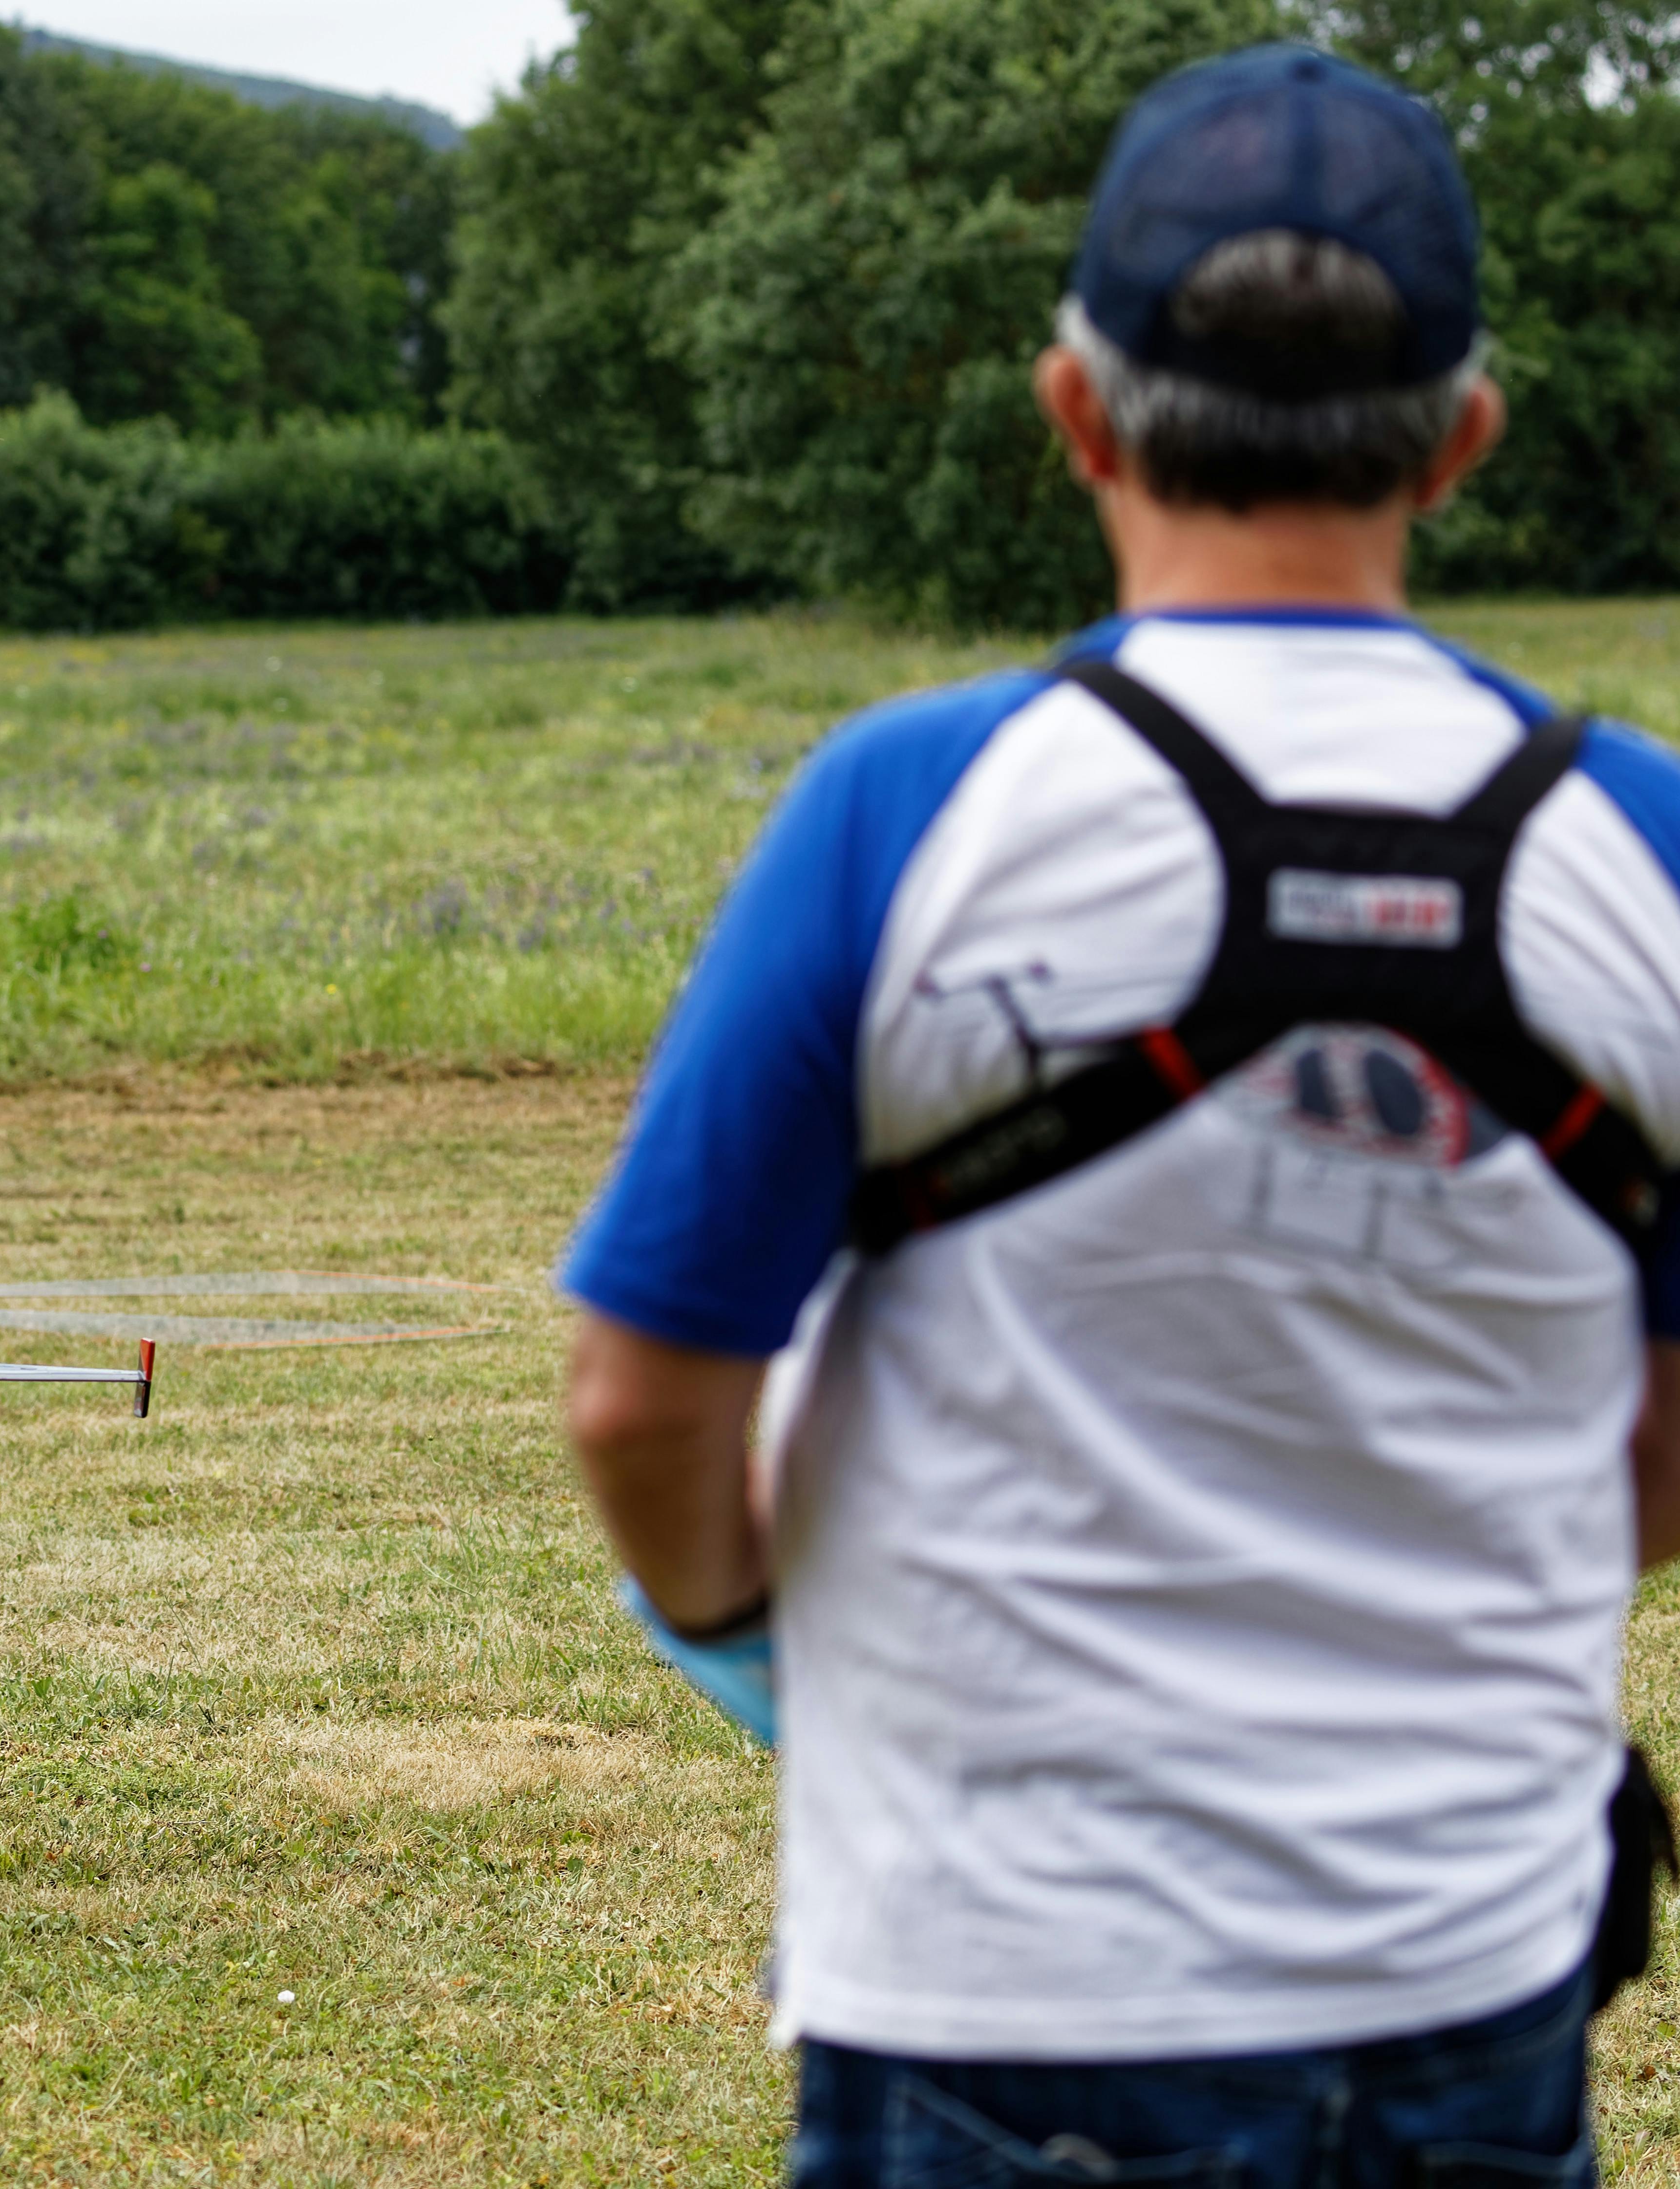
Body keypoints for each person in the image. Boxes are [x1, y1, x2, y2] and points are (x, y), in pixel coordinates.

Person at [558, 42, 1680, 2186]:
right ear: (1463, 440)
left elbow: (641, 1408)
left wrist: (733, 1622)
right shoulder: (1650, 843)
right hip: (1476, 1983)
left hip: (1001, 1996)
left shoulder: (903, 806)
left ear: (1074, 412)